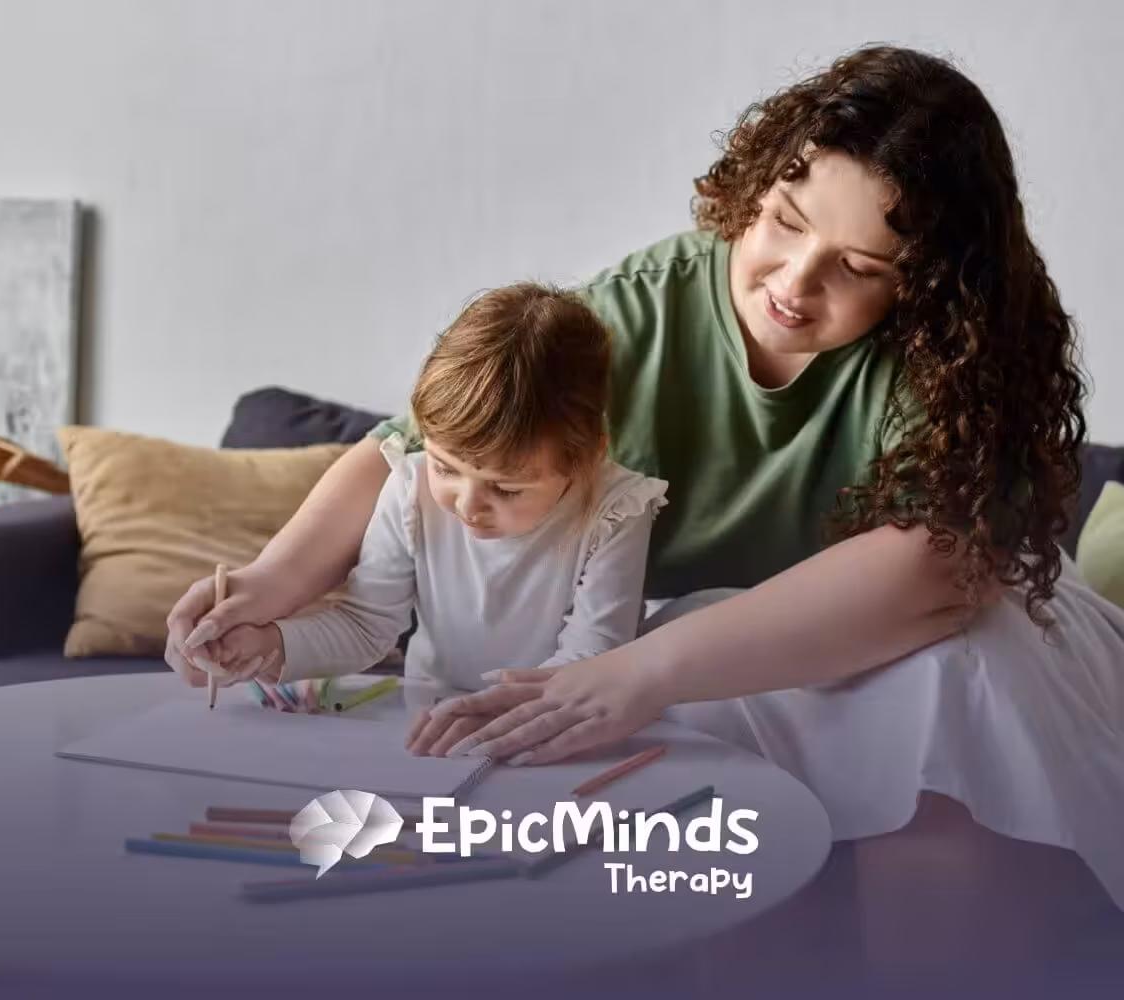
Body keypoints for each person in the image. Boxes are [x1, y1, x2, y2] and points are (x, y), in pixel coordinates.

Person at [167, 44, 1124, 990]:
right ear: (753, 190)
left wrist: (636, 673)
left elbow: (933, 571)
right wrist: (267, 585)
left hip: (896, 638)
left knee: (954, 681)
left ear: (928, 282)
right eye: (784, 223)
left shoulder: (945, 361)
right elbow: (408, 447)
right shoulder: (645, 307)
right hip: (709, 638)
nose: (795, 282)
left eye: (860, 267)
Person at [172, 282, 667, 739]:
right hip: (428, 726)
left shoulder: (617, 509)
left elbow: (592, 657)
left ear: (587, 458)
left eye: (506, 489)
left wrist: (500, 711)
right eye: (445, 468)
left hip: (552, 727)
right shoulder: (410, 488)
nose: (467, 506)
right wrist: (267, 645)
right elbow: (365, 626)